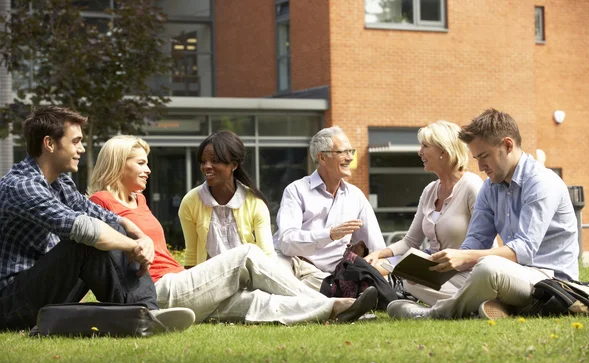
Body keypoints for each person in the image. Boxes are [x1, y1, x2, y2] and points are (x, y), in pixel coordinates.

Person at [88, 136, 378, 324]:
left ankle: (336, 312)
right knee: (245, 255)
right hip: (156, 290)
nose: (148, 169)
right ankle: (336, 304)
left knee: (254, 302)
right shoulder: (101, 202)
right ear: (117, 164)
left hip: (180, 282)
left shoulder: (137, 199)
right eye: (140, 163)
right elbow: (94, 253)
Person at [0, 106, 194, 331]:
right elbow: (84, 228)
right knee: (87, 242)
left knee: (111, 228)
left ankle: (147, 312)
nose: (81, 149)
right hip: (11, 304)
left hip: (44, 293)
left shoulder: (61, 183)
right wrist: (133, 246)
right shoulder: (21, 186)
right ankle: (145, 314)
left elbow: (101, 215)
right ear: (49, 144)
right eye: (75, 141)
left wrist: (140, 235)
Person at [387, 109, 579, 320]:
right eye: (477, 158)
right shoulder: (491, 187)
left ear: (507, 145)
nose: (479, 166)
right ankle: (491, 307)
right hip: (512, 277)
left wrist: (465, 257)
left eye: (484, 156)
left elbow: (524, 250)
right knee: (416, 279)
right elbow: (475, 241)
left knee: (488, 268)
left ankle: (435, 314)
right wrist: (439, 268)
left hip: (550, 282)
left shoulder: (541, 182)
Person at [364, 121, 484, 306]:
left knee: (409, 287)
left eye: (425, 146)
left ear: (444, 151)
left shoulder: (472, 186)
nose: (419, 152)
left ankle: (459, 305)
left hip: (472, 272)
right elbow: (410, 241)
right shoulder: (429, 191)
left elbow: (485, 243)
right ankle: (467, 305)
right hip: (440, 274)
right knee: (410, 281)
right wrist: (380, 253)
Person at [273, 126, 387, 291]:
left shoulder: (356, 196)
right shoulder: (296, 190)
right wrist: (330, 234)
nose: (349, 158)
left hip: (326, 275)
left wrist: (386, 269)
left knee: (323, 290)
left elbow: (378, 250)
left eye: (351, 151)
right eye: (342, 152)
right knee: (284, 284)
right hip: (292, 263)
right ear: (322, 158)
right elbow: (287, 242)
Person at [178, 131, 274, 268]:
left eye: (215, 161)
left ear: (234, 165)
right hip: (208, 280)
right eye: (203, 161)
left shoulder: (255, 203)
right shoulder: (190, 202)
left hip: (248, 280)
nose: (206, 166)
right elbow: (191, 256)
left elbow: (267, 254)